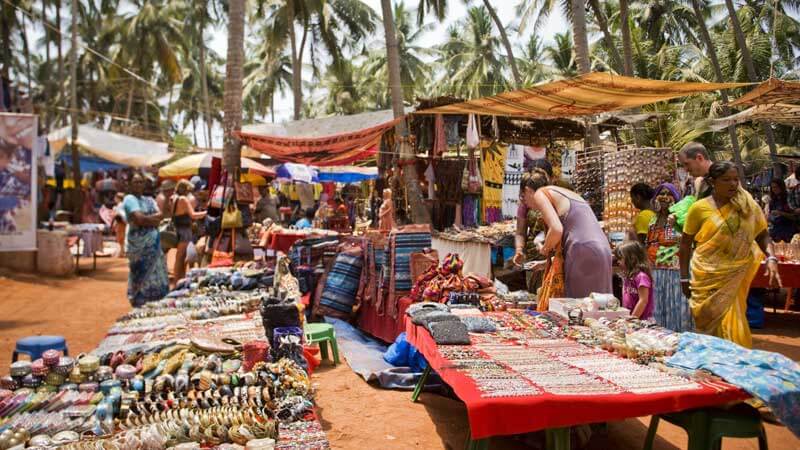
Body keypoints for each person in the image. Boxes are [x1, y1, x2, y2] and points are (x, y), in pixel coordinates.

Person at [679, 161, 781, 348]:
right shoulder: (699, 208)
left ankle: (736, 366)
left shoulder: (747, 206)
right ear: (712, 182)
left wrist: (772, 258)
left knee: (735, 325)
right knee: (708, 327)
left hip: (734, 275)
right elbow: (685, 245)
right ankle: (712, 366)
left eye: (736, 179)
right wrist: (684, 278)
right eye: (726, 180)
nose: (733, 184)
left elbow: (762, 234)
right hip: (705, 276)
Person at [517, 169, 613, 305]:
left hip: (581, 250)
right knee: (600, 308)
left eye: (523, 197)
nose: (525, 203)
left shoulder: (540, 193)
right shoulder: (562, 193)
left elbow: (556, 229)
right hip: (601, 250)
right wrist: (544, 264)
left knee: (578, 310)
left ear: (528, 190)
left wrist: (544, 248)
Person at [646, 183, 693, 331]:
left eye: (669, 194)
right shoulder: (653, 220)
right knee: (659, 309)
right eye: (661, 193)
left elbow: (688, 244)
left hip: (676, 271)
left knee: (678, 309)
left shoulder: (681, 218)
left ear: (676, 198)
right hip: (656, 272)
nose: (665, 197)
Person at [122, 173, 169, 306]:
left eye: (141, 182)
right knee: (139, 271)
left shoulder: (149, 199)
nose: (138, 185)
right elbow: (139, 219)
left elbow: (161, 216)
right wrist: (152, 220)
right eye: (135, 182)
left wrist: (149, 220)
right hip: (138, 245)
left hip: (153, 243)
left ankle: (157, 299)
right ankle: (140, 300)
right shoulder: (129, 199)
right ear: (130, 184)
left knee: (157, 271)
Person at [172, 180, 206, 284]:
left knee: (180, 257)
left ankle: (179, 280)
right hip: (184, 230)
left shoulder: (175, 198)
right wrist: (206, 213)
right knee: (180, 257)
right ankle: (177, 281)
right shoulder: (183, 199)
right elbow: (193, 215)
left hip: (179, 228)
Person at [615, 241, 654, 320]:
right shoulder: (628, 277)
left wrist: (632, 318)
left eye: (620, 258)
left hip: (642, 321)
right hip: (631, 318)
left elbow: (643, 300)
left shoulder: (641, 277)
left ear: (632, 258)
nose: (618, 262)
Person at [767, 178, 796, 242]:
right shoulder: (772, 201)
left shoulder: (789, 198)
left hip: (788, 231)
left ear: (781, 187)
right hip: (775, 231)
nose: (774, 189)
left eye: (776, 187)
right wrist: (769, 217)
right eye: (772, 187)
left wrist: (781, 213)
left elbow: (795, 217)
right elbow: (770, 216)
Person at [112, 193, 127, 258]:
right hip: (122, 222)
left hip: (120, 222)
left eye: (115, 198)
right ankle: (121, 252)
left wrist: (115, 211)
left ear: (118, 198)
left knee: (120, 237)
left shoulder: (120, 205)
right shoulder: (121, 205)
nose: (114, 199)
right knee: (121, 237)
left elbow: (119, 214)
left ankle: (121, 253)